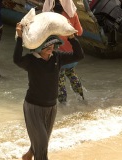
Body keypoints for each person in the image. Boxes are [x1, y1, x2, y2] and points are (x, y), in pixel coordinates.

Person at [14, 23, 84, 160]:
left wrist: (71, 37)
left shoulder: (57, 57)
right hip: (33, 107)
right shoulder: (31, 60)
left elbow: (79, 55)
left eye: (52, 45)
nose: (51, 48)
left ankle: (28, 156)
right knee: (43, 143)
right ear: (39, 46)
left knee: (42, 141)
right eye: (47, 46)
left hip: (52, 107)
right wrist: (19, 38)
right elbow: (16, 59)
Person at [43, 0, 85, 103]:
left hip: (58, 56)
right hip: (73, 54)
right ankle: (82, 99)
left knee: (60, 80)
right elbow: (79, 32)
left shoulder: (50, 18)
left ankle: (63, 106)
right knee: (71, 74)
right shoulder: (73, 14)